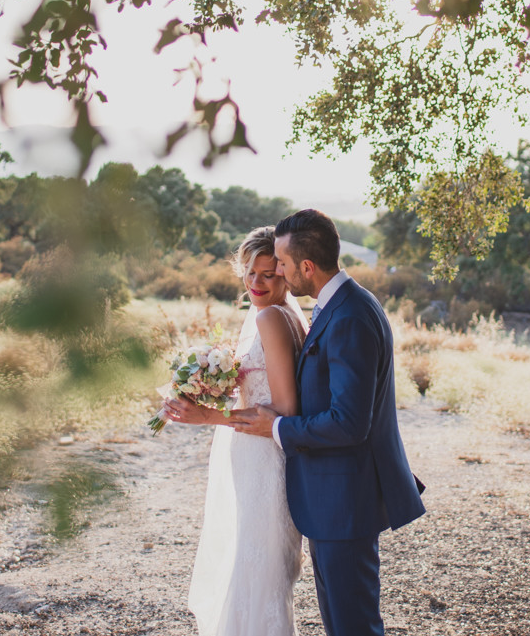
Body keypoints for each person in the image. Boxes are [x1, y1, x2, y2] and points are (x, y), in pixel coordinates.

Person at [229, 208, 424, 636]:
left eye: (280, 264)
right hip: (332, 497)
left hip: (345, 499)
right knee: (341, 623)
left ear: (306, 267)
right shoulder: (339, 304)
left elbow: (349, 422)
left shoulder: (350, 315)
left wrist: (276, 428)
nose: (274, 272)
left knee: (354, 625)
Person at [161, 226, 309, 636]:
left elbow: (284, 410)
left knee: (258, 575)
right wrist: (210, 388)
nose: (256, 283)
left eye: (269, 274)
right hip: (254, 456)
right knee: (255, 572)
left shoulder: (272, 319)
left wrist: (206, 417)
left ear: (285, 272)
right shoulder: (282, 315)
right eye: (250, 273)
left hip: (265, 461)